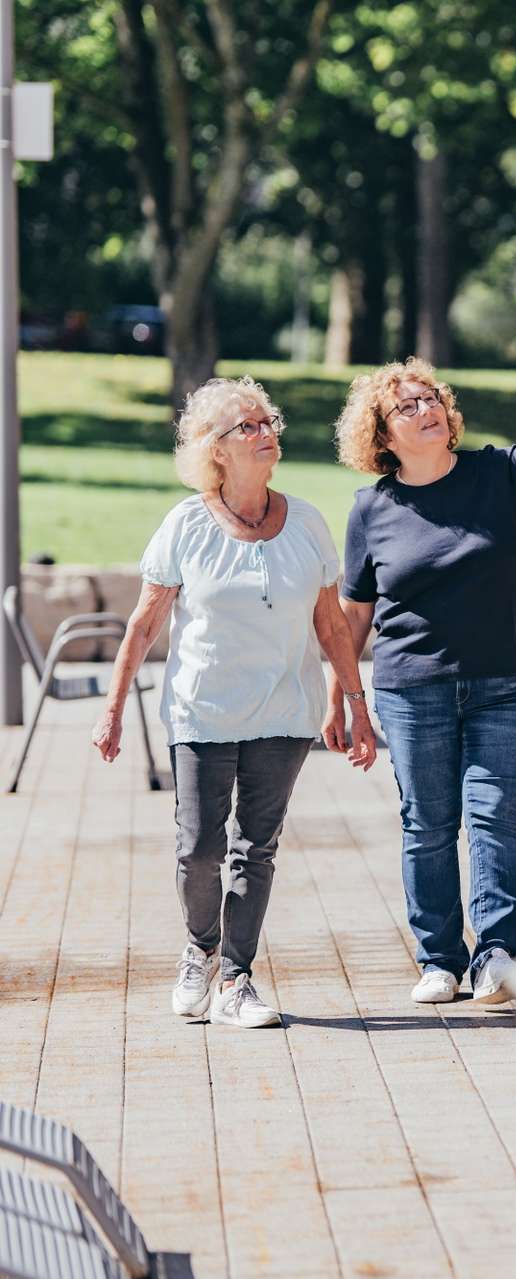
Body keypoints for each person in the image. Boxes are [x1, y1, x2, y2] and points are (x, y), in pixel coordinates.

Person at [91, 377, 377, 1028]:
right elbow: (143, 624)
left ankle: (238, 979)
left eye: (267, 420)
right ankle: (200, 948)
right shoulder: (187, 525)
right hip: (203, 712)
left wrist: (355, 702)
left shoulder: (305, 521)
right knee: (198, 848)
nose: (264, 431)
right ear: (213, 449)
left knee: (257, 848)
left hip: (285, 712)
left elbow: (331, 626)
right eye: (246, 426)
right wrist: (111, 709)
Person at [328, 349, 516, 1006]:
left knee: (497, 818)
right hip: (411, 690)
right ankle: (439, 959)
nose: (426, 410)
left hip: (506, 684)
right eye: (407, 405)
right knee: (427, 823)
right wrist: (341, 695)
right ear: (382, 435)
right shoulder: (372, 508)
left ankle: (498, 955)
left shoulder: (498, 471)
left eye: (431, 398)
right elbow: (354, 612)